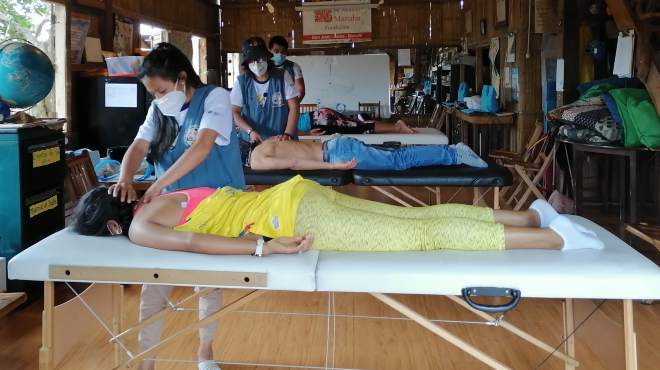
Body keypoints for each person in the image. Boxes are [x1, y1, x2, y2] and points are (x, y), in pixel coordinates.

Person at [107, 42, 245, 370]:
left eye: (160, 90)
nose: (157, 98)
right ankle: (146, 361)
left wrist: (156, 185)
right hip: (170, 209)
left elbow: (201, 148)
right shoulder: (159, 110)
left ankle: (205, 352)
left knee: (207, 285)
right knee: (154, 285)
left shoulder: (215, 98)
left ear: (182, 79)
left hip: (216, 203)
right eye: (152, 93)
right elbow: (139, 146)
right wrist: (126, 177)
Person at [73, 177, 604, 254]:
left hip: (297, 223)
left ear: (114, 224)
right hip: (298, 195)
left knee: (420, 240)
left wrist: (263, 248)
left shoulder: (141, 226)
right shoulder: (167, 189)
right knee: (418, 219)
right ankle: (533, 218)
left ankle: (559, 242)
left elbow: (192, 245)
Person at [248, 137, 488, 170]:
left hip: (335, 156)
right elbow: (289, 144)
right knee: (398, 156)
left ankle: (455, 154)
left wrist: (335, 167)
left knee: (399, 161)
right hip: (334, 145)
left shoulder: (257, 161)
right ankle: (451, 152)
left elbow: (294, 162)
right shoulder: (265, 143)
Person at [231, 37, 299, 144]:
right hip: (252, 142)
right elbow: (234, 112)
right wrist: (250, 132)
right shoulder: (241, 83)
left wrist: (288, 134)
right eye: (252, 61)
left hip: (282, 141)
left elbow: (294, 106)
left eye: (260, 59)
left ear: (267, 57)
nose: (257, 64)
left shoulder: (282, 76)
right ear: (247, 63)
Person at [298, 107, 416, 135]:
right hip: (319, 115)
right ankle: (396, 126)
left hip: (318, 121)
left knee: (360, 127)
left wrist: (308, 134)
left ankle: (397, 127)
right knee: (359, 125)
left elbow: (293, 130)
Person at [269, 35, 305, 101]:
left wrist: (292, 107)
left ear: (286, 52)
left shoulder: (294, 67)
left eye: (283, 52)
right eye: (276, 51)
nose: (280, 54)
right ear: (270, 50)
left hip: (288, 106)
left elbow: (301, 91)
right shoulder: (264, 67)